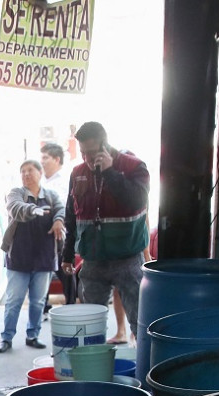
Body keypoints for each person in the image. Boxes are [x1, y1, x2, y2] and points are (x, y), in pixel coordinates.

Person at [61, 121, 150, 336]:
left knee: (140, 323)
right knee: (90, 327)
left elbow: (137, 201)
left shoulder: (134, 167)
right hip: (92, 260)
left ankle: (144, 366)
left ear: (105, 145)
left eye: (91, 153)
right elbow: (71, 214)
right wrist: (67, 254)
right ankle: (94, 367)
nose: (87, 159)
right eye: (83, 153)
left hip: (128, 258)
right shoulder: (77, 173)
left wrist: (110, 172)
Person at [0, 159, 64, 353]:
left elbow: (61, 209)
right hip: (18, 257)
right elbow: (16, 208)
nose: (26, 174)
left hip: (44, 258)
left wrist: (59, 220)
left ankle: (32, 335)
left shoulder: (50, 196)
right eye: (23, 171)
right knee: (13, 301)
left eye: (30, 170)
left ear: (40, 173)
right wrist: (33, 209)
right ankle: (6, 338)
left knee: (38, 302)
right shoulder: (16, 193)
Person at [39, 141, 76, 311]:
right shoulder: (39, 180)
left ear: (57, 159)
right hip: (41, 235)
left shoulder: (65, 180)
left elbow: (63, 206)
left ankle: (70, 304)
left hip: (60, 234)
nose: (42, 161)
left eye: (45, 158)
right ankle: (43, 306)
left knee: (65, 270)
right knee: (42, 270)